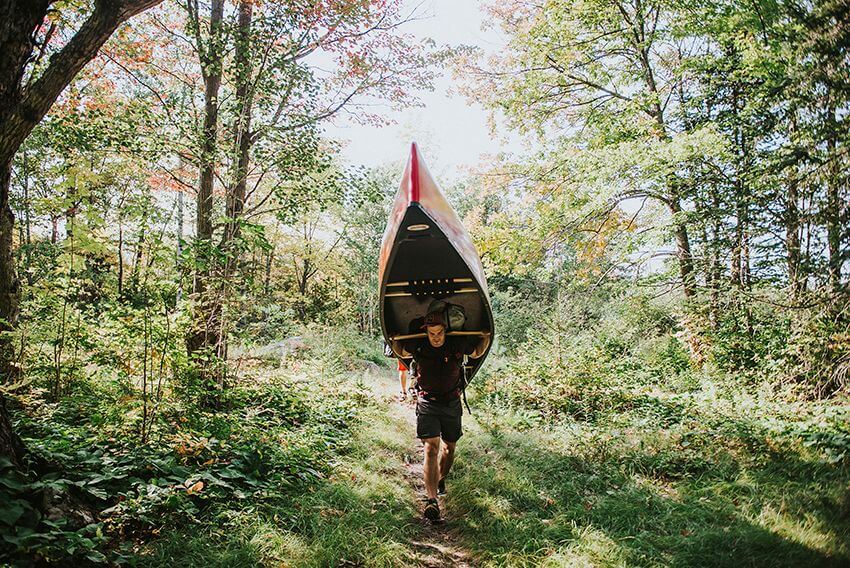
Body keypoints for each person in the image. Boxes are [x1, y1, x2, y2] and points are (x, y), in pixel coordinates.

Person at [393, 310, 490, 522]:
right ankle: (431, 501)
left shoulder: (456, 345)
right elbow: (400, 350)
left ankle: (440, 479)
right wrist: (394, 339)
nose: (435, 337)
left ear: (445, 330)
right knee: (431, 447)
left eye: (439, 332)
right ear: (426, 332)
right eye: (431, 333)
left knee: (449, 447)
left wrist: (485, 337)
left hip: (452, 402)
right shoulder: (419, 345)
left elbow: (476, 353)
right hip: (427, 401)